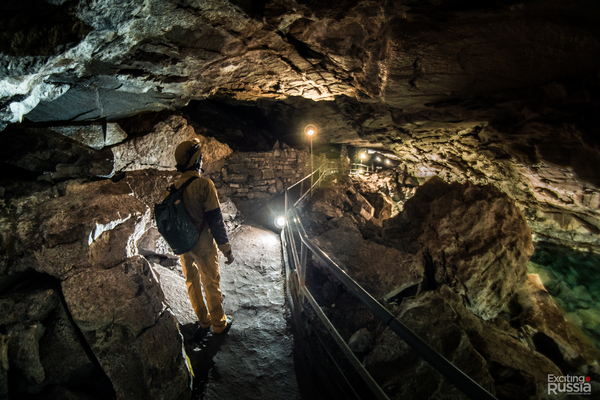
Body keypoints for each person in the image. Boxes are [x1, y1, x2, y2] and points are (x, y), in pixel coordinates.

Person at [169, 138, 235, 335]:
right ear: (196, 161)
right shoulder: (204, 185)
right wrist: (227, 249)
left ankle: (204, 321)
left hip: (184, 245)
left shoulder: (173, 187)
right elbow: (215, 220)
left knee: (192, 282)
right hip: (203, 245)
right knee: (211, 283)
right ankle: (219, 324)